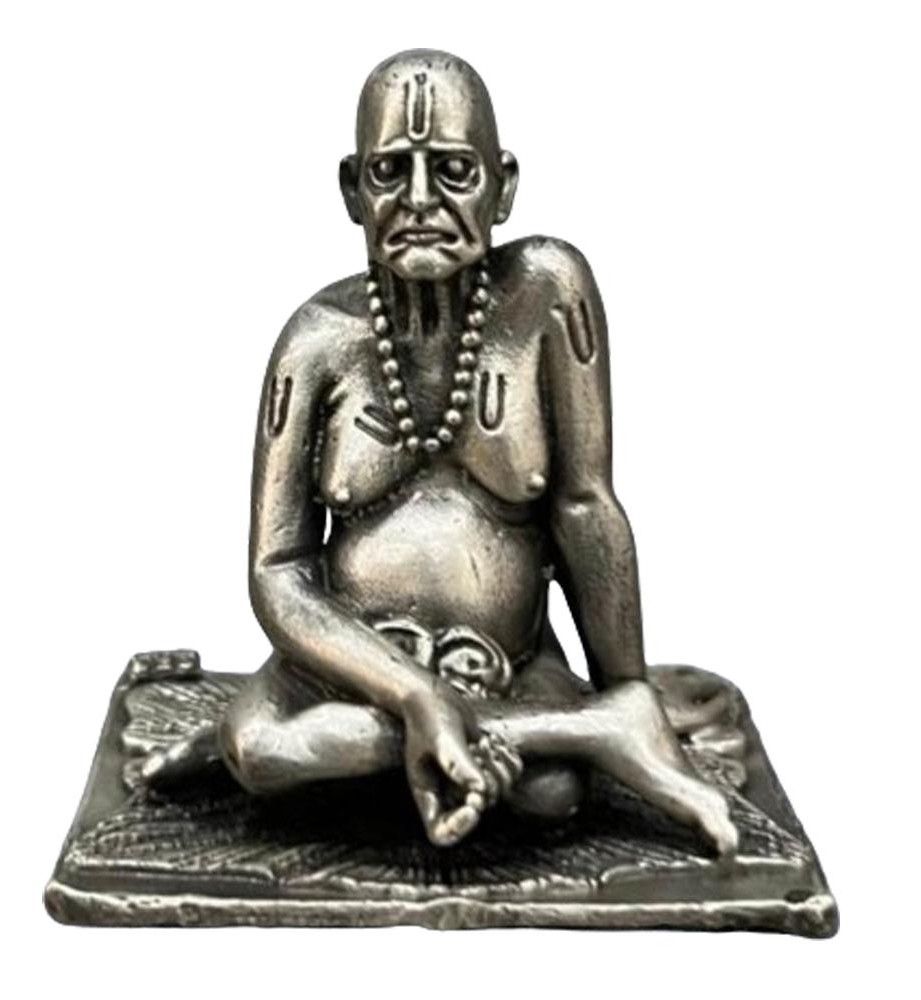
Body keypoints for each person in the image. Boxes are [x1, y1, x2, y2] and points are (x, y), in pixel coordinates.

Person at [143, 50, 737, 855]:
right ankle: (591, 731)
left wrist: (627, 680)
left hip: (507, 657)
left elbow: (584, 506)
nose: (421, 200)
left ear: (503, 185)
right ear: (352, 191)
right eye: (390, 172)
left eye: (455, 171)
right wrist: (416, 696)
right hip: (349, 666)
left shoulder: (547, 292)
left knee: (552, 797)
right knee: (260, 750)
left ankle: (597, 722)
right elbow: (278, 572)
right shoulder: (315, 343)